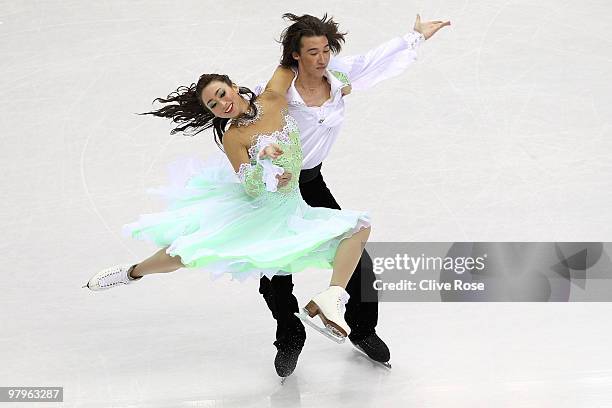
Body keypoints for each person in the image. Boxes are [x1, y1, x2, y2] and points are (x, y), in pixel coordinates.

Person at [83, 66, 372, 353]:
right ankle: (132, 272)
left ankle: (332, 296)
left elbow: (298, 61)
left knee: (359, 228)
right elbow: (251, 184)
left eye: (222, 94)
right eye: (214, 104)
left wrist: (336, 83)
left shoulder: (272, 96)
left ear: (233, 85)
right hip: (261, 212)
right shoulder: (234, 136)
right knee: (187, 252)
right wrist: (268, 168)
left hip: (292, 208)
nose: (223, 104)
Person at [254, 13, 451, 376]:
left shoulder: (338, 75)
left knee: (356, 252)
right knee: (276, 267)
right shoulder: (283, 89)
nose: (321, 58)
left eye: (325, 49)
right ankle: (289, 333)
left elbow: (372, 60)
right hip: (277, 189)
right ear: (295, 55)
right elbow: (255, 117)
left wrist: (414, 38)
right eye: (312, 52)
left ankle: (363, 329)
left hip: (311, 182)